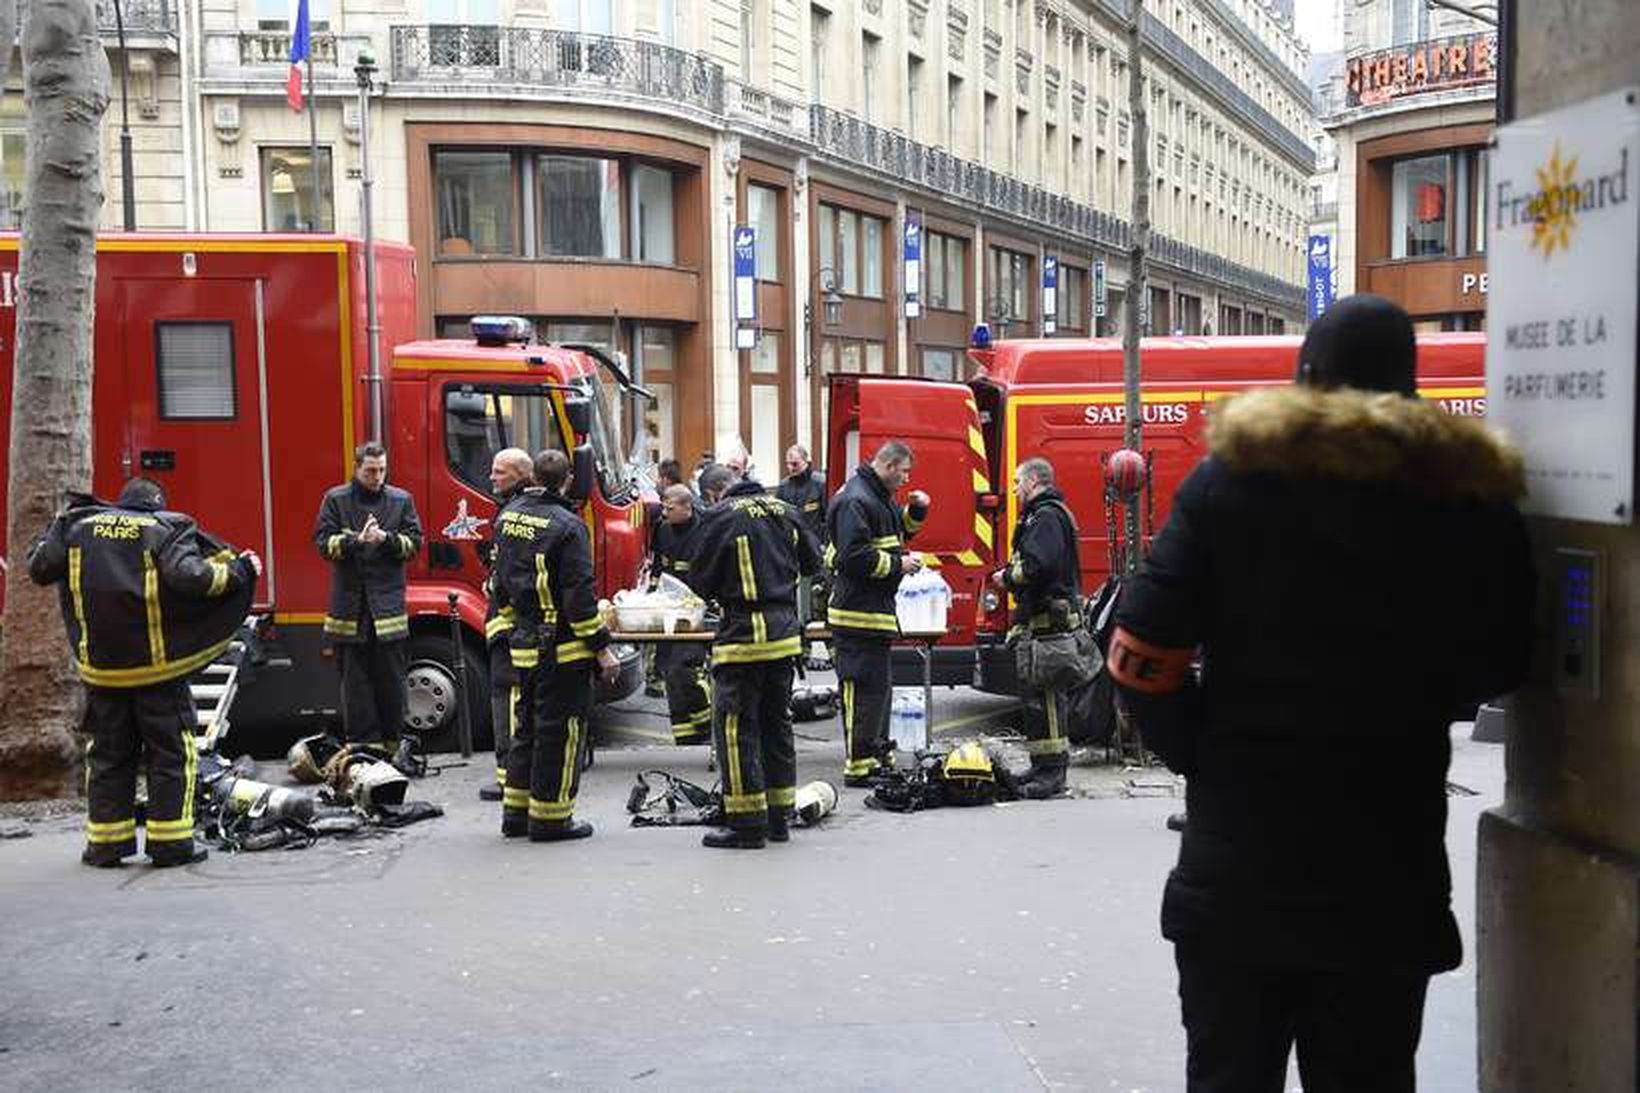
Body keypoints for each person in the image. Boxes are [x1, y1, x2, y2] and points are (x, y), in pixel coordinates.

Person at [1108, 294, 1535, 1093]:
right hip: (1384, 875)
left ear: (1306, 377)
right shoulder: (1470, 501)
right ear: (1406, 388)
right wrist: (1420, 704)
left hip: (1238, 875)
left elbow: (1137, 653)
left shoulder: (1226, 484)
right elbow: (1509, 657)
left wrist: (1201, 750)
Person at [28, 479, 261, 867]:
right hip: (157, 673)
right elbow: (194, 579)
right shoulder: (167, 529)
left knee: (108, 757)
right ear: (155, 506)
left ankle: (105, 846)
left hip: (102, 673)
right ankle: (170, 845)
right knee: (170, 755)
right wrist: (239, 571)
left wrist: (57, 524)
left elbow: (39, 567)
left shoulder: (78, 526)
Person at [686, 463, 822, 849]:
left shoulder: (718, 517)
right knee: (776, 725)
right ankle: (779, 819)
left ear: (714, 494)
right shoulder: (785, 510)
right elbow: (813, 564)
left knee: (735, 728)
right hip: (783, 635)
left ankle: (746, 824)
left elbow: (699, 580)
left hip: (742, 636)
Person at [492, 449, 620, 842]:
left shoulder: (509, 516)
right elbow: (578, 598)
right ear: (567, 481)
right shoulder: (568, 525)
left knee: (526, 727)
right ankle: (551, 819)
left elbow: (500, 582)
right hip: (562, 648)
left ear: (532, 479)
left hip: (524, 641)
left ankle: (515, 814)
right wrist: (602, 647)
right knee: (559, 733)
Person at [826, 440, 929, 786]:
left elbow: (892, 535)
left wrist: (915, 513)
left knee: (878, 692)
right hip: (857, 615)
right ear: (887, 466)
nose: (907, 478)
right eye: (904, 471)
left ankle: (876, 756)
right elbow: (852, 558)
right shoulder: (857, 499)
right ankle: (859, 765)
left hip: (875, 613)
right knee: (861, 692)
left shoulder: (875, 496)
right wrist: (900, 565)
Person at [313, 442, 423, 746]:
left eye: (382, 470)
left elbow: (414, 545)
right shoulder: (336, 500)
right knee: (355, 688)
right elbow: (323, 544)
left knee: (392, 684)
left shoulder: (401, 501)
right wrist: (356, 541)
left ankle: (392, 746)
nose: (377, 477)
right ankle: (362, 750)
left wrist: (386, 538)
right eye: (371, 471)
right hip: (349, 611)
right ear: (356, 468)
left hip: (387, 611)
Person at [991, 457, 1080, 798]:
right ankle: (1042, 765)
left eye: (1016, 482)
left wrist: (1006, 577)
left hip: (1050, 626)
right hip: (1039, 623)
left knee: (1048, 698)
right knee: (1036, 699)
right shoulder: (1039, 516)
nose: (1014, 489)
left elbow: (1038, 566)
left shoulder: (1046, 517)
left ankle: (1053, 775)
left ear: (1032, 481)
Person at [478, 447, 534, 802]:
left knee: (508, 699)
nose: (492, 478)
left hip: (509, 626)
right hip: (513, 623)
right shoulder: (516, 510)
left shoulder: (514, 516)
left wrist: (494, 587)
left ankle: (509, 780)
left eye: (500, 472)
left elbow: (514, 577)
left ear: (521, 476)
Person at [651, 483, 712, 745]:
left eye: (670, 508)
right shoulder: (662, 529)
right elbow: (657, 567)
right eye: (663, 507)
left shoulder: (705, 530)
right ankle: (685, 738)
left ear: (687, 507)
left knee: (685, 670)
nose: (665, 513)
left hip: (696, 612)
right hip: (667, 611)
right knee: (668, 671)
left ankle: (706, 724)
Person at [775, 444, 826, 544]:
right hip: (793, 543)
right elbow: (779, 518)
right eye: (788, 464)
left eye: (795, 464)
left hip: (816, 543)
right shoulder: (783, 487)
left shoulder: (820, 484)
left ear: (806, 462)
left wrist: (824, 542)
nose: (791, 468)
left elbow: (828, 517)